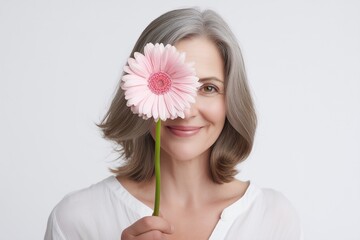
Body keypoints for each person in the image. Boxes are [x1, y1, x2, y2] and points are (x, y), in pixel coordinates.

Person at [45, 7, 302, 240]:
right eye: (170, 84)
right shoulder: (77, 219)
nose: (185, 110)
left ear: (231, 101)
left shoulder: (272, 218)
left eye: (208, 88)